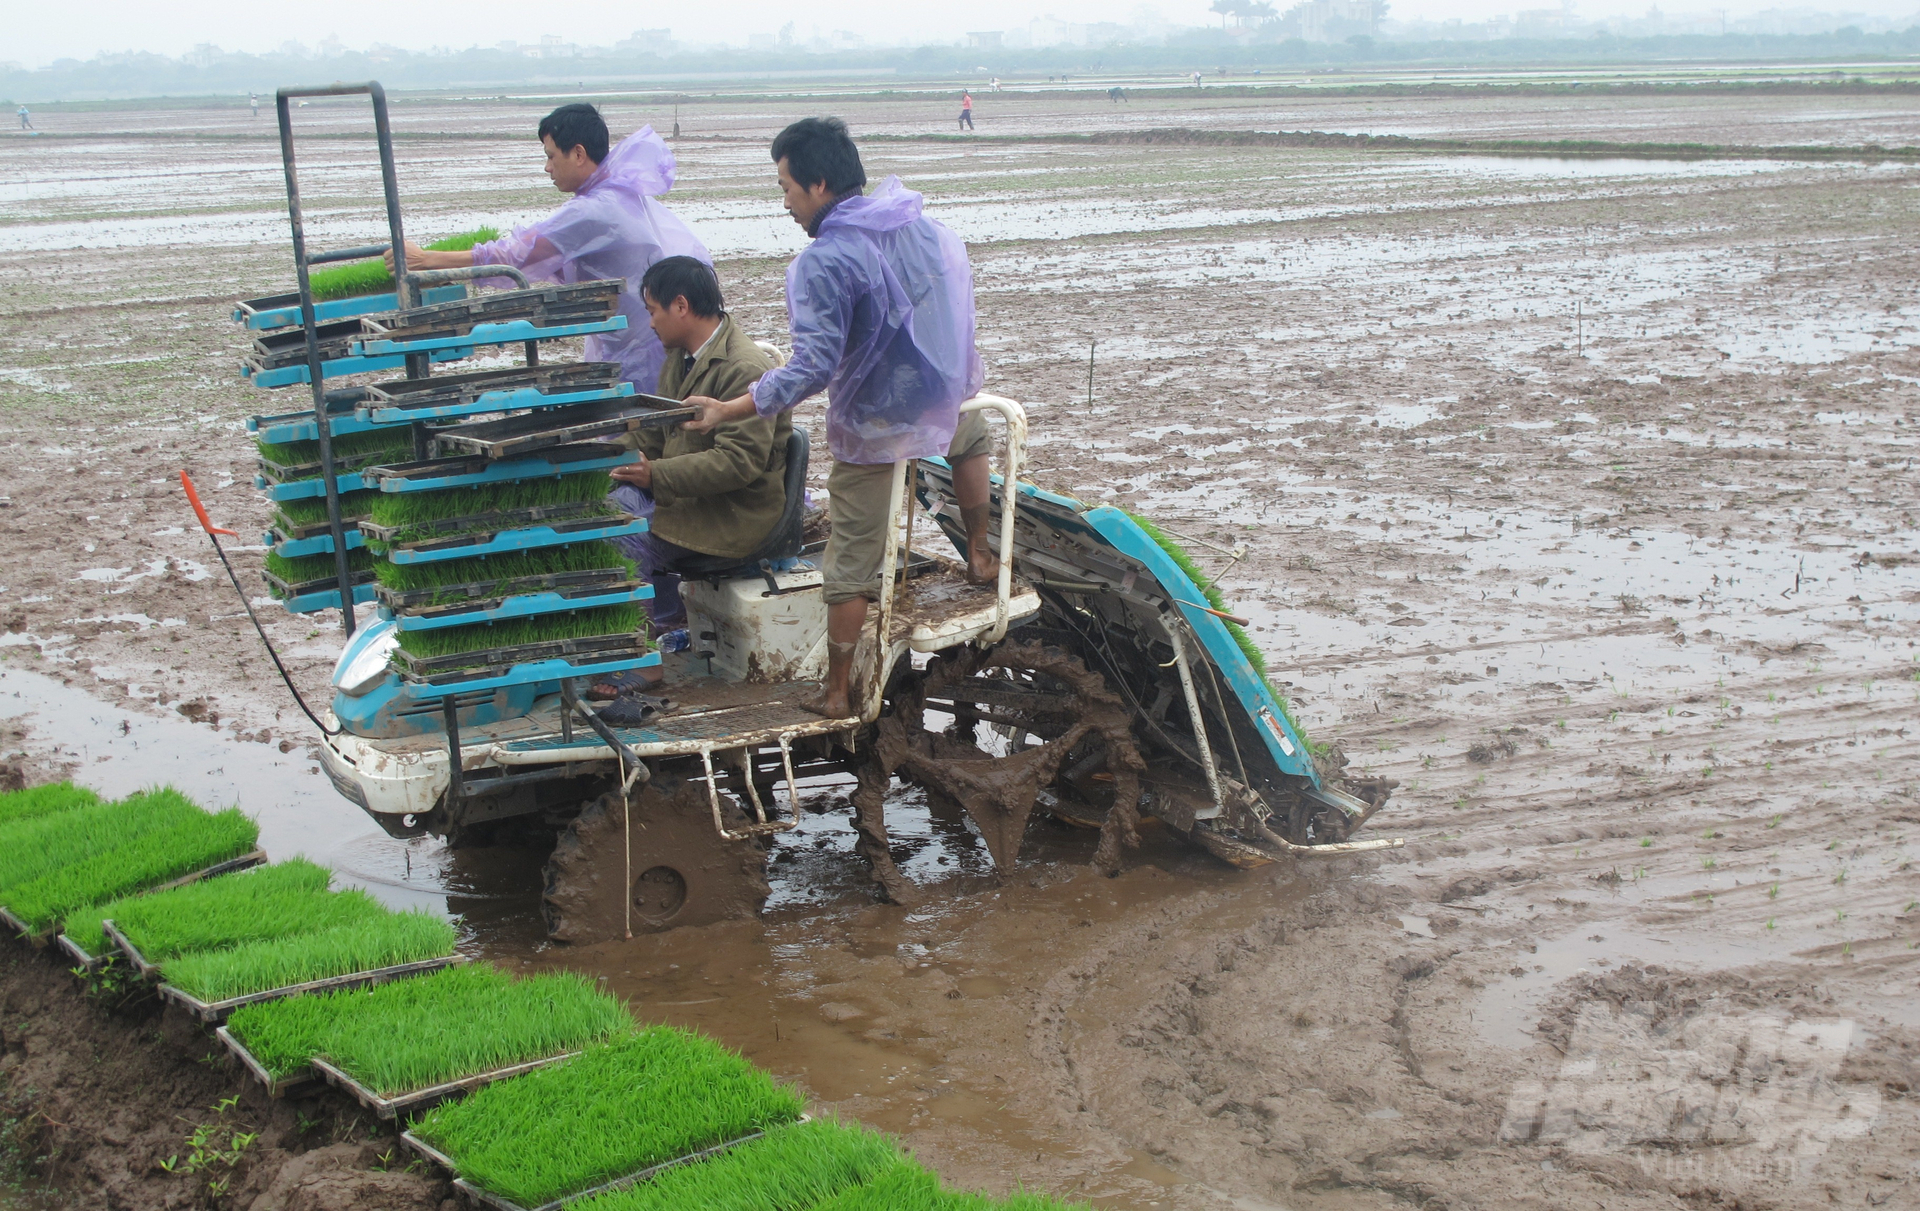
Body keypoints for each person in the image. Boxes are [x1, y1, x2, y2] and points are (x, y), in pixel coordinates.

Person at [685, 117, 999, 720]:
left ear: (820, 185)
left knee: (853, 548)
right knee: (968, 430)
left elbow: (811, 366)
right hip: (937, 389)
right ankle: (981, 552)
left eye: (787, 188)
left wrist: (734, 406)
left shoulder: (824, 261)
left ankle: (837, 690)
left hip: (874, 419)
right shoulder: (922, 229)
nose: (785, 204)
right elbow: (951, 316)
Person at [384, 103, 707, 394]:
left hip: (635, 350)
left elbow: (515, 255)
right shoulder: (618, 193)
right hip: (640, 342)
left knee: (633, 438)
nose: (547, 167)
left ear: (578, 154)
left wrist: (426, 260)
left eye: (551, 156)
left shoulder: (594, 210)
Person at [593, 257, 787, 709]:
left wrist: (655, 474)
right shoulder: (680, 358)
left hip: (733, 513)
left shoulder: (742, 368)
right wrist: (617, 455)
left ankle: (643, 660)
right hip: (691, 496)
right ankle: (623, 638)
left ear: (680, 306)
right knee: (598, 511)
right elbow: (656, 430)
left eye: (653, 310)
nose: (651, 322)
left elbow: (739, 463)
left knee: (620, 537)